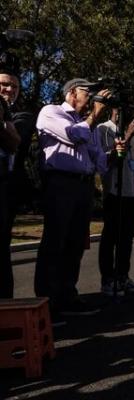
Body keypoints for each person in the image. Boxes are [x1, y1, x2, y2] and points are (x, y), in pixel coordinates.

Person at [35, 78, 111, 320]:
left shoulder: (88, 123)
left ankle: (68, 295)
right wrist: (94, 117)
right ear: (71, 93)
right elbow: (71, 135)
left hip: (83, 184)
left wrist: (111, 153)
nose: (91, 97)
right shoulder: (52, 112)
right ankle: (47, 302)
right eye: (87, 91)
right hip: (61, 182)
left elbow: (99, 159)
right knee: (55, 241)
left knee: (75, 243)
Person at [97, 109, 134, 296]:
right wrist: (128, 134)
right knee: (110, 238)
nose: (124, 113)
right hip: (115, 192)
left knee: (126, 239)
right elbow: (108, 161)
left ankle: (122, 276)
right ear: (112, 111)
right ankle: (108, 280)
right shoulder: (104, 129)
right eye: (119, 109)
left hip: (133, 192)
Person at [0, 70, 20, 299]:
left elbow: (14, 142)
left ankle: (7, 306)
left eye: (14, 86)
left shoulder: (16, 115)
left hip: (6, 186)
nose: (9, 90)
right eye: (4, 84)